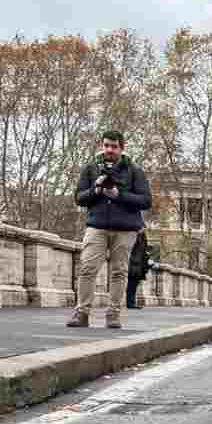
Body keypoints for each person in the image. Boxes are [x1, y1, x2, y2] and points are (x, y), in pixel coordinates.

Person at [67, 130, 152, 329]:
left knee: (119, 272)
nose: (109, 150)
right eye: (106, 145)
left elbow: (146, 200)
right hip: (96, 226)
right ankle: (82, 313)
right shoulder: (90, 169)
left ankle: (113, 314)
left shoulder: (134, 170)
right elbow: (79, 198)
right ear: (101, 145)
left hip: (125, 230)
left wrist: (118, 194)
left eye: (114, 146)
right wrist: (95, 190)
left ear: (122, 148)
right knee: (87, 268)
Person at [125, 230, 151, 309]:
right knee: (131, 283)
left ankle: (131, 302)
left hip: (139, 263)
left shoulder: (142, 236)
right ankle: (130, 303)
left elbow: (144, 249)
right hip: (133, 262)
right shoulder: (132, 234)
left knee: (134, 283)